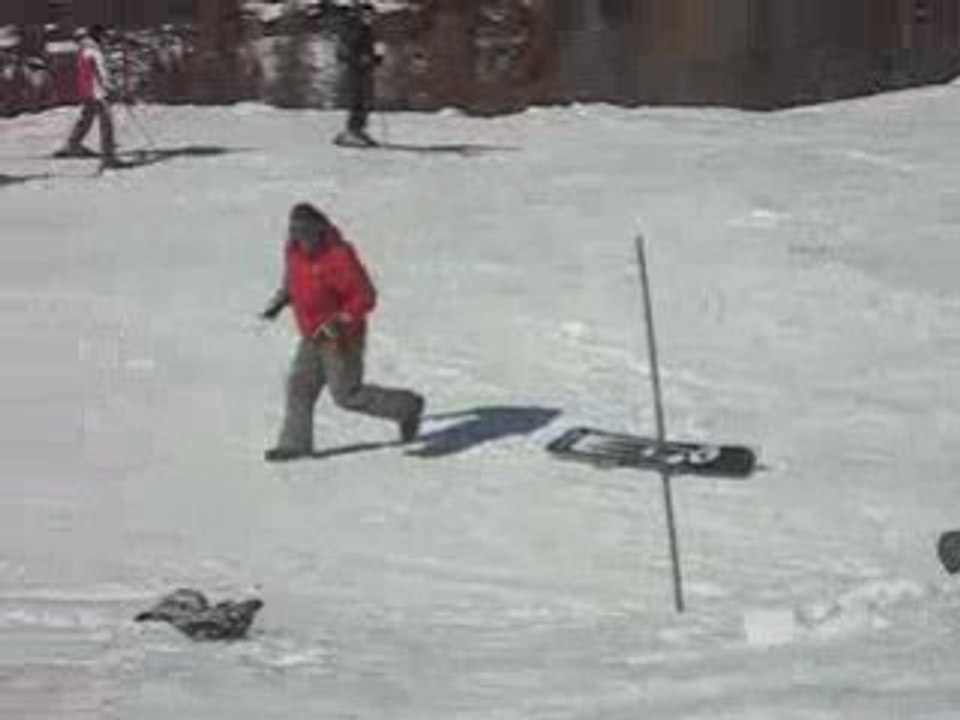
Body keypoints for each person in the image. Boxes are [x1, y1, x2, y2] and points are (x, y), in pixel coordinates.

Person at [260, 203, 425, 462]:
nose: (303, 238)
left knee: (347, 395)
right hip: (312, 334)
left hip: (342, 338)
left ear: (320, 229)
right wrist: (282, 299)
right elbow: (293, 280)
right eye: (296, 232)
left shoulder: (339, 256)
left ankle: (407, 406)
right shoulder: (293, 251)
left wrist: (339, 322)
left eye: (307, 232)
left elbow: (365, 296)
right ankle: (295, 444)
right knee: (299, 386)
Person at [55, 25, 119, 166]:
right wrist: (110, 87)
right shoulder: (94, 51)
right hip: (98, 92)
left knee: (87, 117)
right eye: (105, 36)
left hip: (87, 90)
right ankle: (108, 157)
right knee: (106, 122)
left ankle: (73, 144)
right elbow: (102, 72)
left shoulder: (84, 49)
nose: (107, 40)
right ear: (99, 36)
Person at [334, 2, 380, 147]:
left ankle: (358, 130)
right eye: (367, 15)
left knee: (365, 100)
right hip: (354, 71)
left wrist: (375, 59)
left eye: (372, 16)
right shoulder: (355, 29)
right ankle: (352, 131)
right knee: (357, 100)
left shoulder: (367, 29)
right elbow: (346, 51)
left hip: (363, 70)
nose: (370, 18)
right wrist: (360, 59)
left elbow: (366, 52)